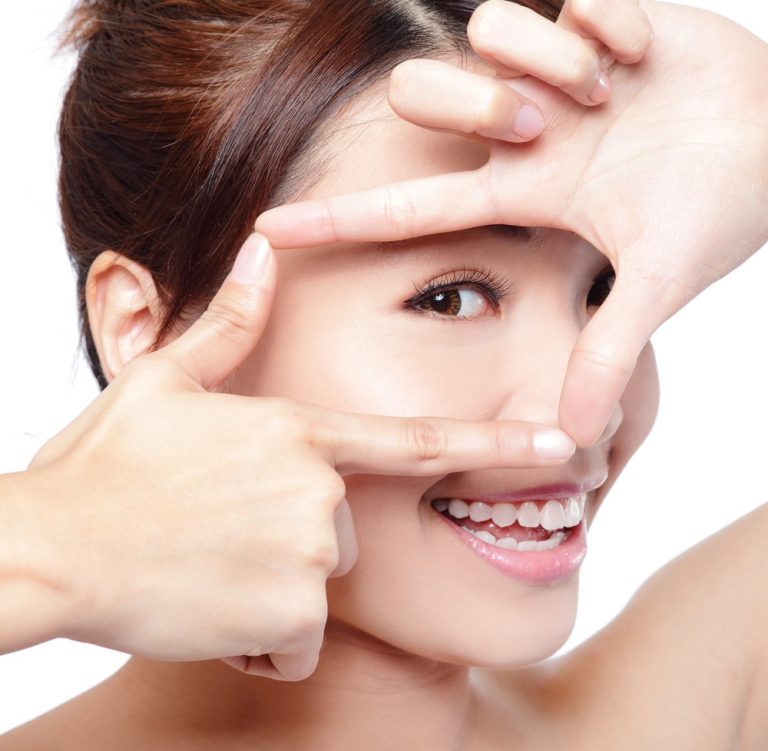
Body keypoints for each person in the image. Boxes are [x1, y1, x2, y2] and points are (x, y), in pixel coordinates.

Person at [1, 1, 766, 749]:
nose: (588, 411)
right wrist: (57, 538)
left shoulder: (687, 711)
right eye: (451, 298)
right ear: (144, 328)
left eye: (603, 288)